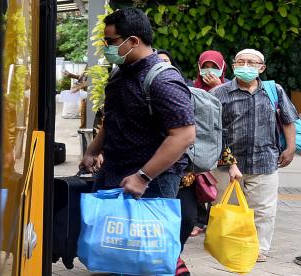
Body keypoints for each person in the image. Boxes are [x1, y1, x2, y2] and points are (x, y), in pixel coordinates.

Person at [80, 8, 195, 273]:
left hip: (150, 183)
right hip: (117, 173)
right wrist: (93, 149)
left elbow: (184, 135)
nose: (108, 47)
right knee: (117, 252)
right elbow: (113, 117)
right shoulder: (121, 72)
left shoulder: (163, 79)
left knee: (148, 259)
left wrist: (142, 177)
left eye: (111, 41)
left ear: (133, 41)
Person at [210, 48, 299, 262]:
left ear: (262, 68)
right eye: (241, 61)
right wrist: (230, 162)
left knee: (264, 210)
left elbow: (288, 119)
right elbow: (213, 130)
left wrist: (290, 147)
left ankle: (259, 249)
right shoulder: (219, 93)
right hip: (227, 164)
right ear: (233, 66)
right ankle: (231, 245)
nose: (246, 66)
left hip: (265, 160)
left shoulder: (273, 90)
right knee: (228, 209)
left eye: (252, 62)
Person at [189, 50, 228, 237]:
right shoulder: (191, 88)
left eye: (214, 67)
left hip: (221, 145)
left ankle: (213, 220)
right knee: (195, 183)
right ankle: (198, 220)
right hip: (196, 144)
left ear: (222, 68)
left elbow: (227, 116)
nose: (210, 71)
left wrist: (218, 89)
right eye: (206, 67)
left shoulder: (228, 88)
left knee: (216, 186)